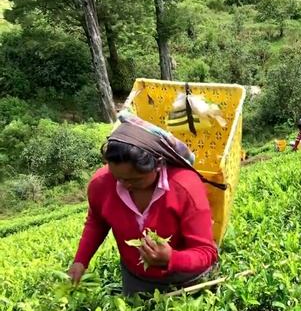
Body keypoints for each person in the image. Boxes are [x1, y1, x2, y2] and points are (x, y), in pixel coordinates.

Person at [68, 111, 218, 296]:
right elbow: (97, 222)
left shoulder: (185, 186)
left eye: (136, 179)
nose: (125, 185)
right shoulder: (101, 183)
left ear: (158, 164)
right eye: (118, 177)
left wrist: (171, 258)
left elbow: (206, 252)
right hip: (137, 280)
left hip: (188, 279)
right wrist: (81, 260)